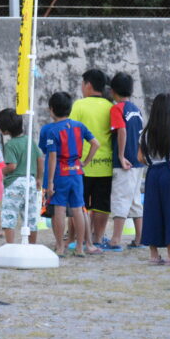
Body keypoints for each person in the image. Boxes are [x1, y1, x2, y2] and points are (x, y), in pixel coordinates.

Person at [44, 91, 100, 256]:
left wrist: (51, 183)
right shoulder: (79, 126)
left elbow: (52, 158)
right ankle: (80, 248)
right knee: (78, 209)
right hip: (77, 172)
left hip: (61, 174)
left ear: (52, 109)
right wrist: (85, 162)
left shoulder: (53, 131)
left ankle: (60, 247)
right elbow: (95, 144)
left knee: (60, 210)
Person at [139, 93, 170, 265]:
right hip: (169, 174)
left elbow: (140, 158)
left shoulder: (145, 133)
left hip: (152, 174)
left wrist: (152, 161)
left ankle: (153, 255)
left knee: (152, 212)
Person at [70, 69, 114, 247]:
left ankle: (80, 239)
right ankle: (97, 238)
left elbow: (71, 132)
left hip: (83, 165)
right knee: (102, 205)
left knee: (80, 205)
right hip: (106, 165)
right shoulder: (110, 107)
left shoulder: (79, 106)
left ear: (88, 85)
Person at [104, 72, 145, 251]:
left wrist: (120, 156)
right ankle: (139, 238)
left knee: (120, 199)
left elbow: (121, 131)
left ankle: (115, 239)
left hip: (125, 163)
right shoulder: (136, 109)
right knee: (135, 200)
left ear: (112, 91)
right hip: (138, 161)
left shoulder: (117, 109)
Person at [0, 108, 43, 245]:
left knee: (9, 216)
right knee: (31, 218)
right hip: (31, 181)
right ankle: (32, 246)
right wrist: (39, 178)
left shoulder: (10, 145)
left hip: (14, 184)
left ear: (4, 131)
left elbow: (12, 166)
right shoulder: (30, 141)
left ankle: (10, 246)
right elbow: (40, 159)